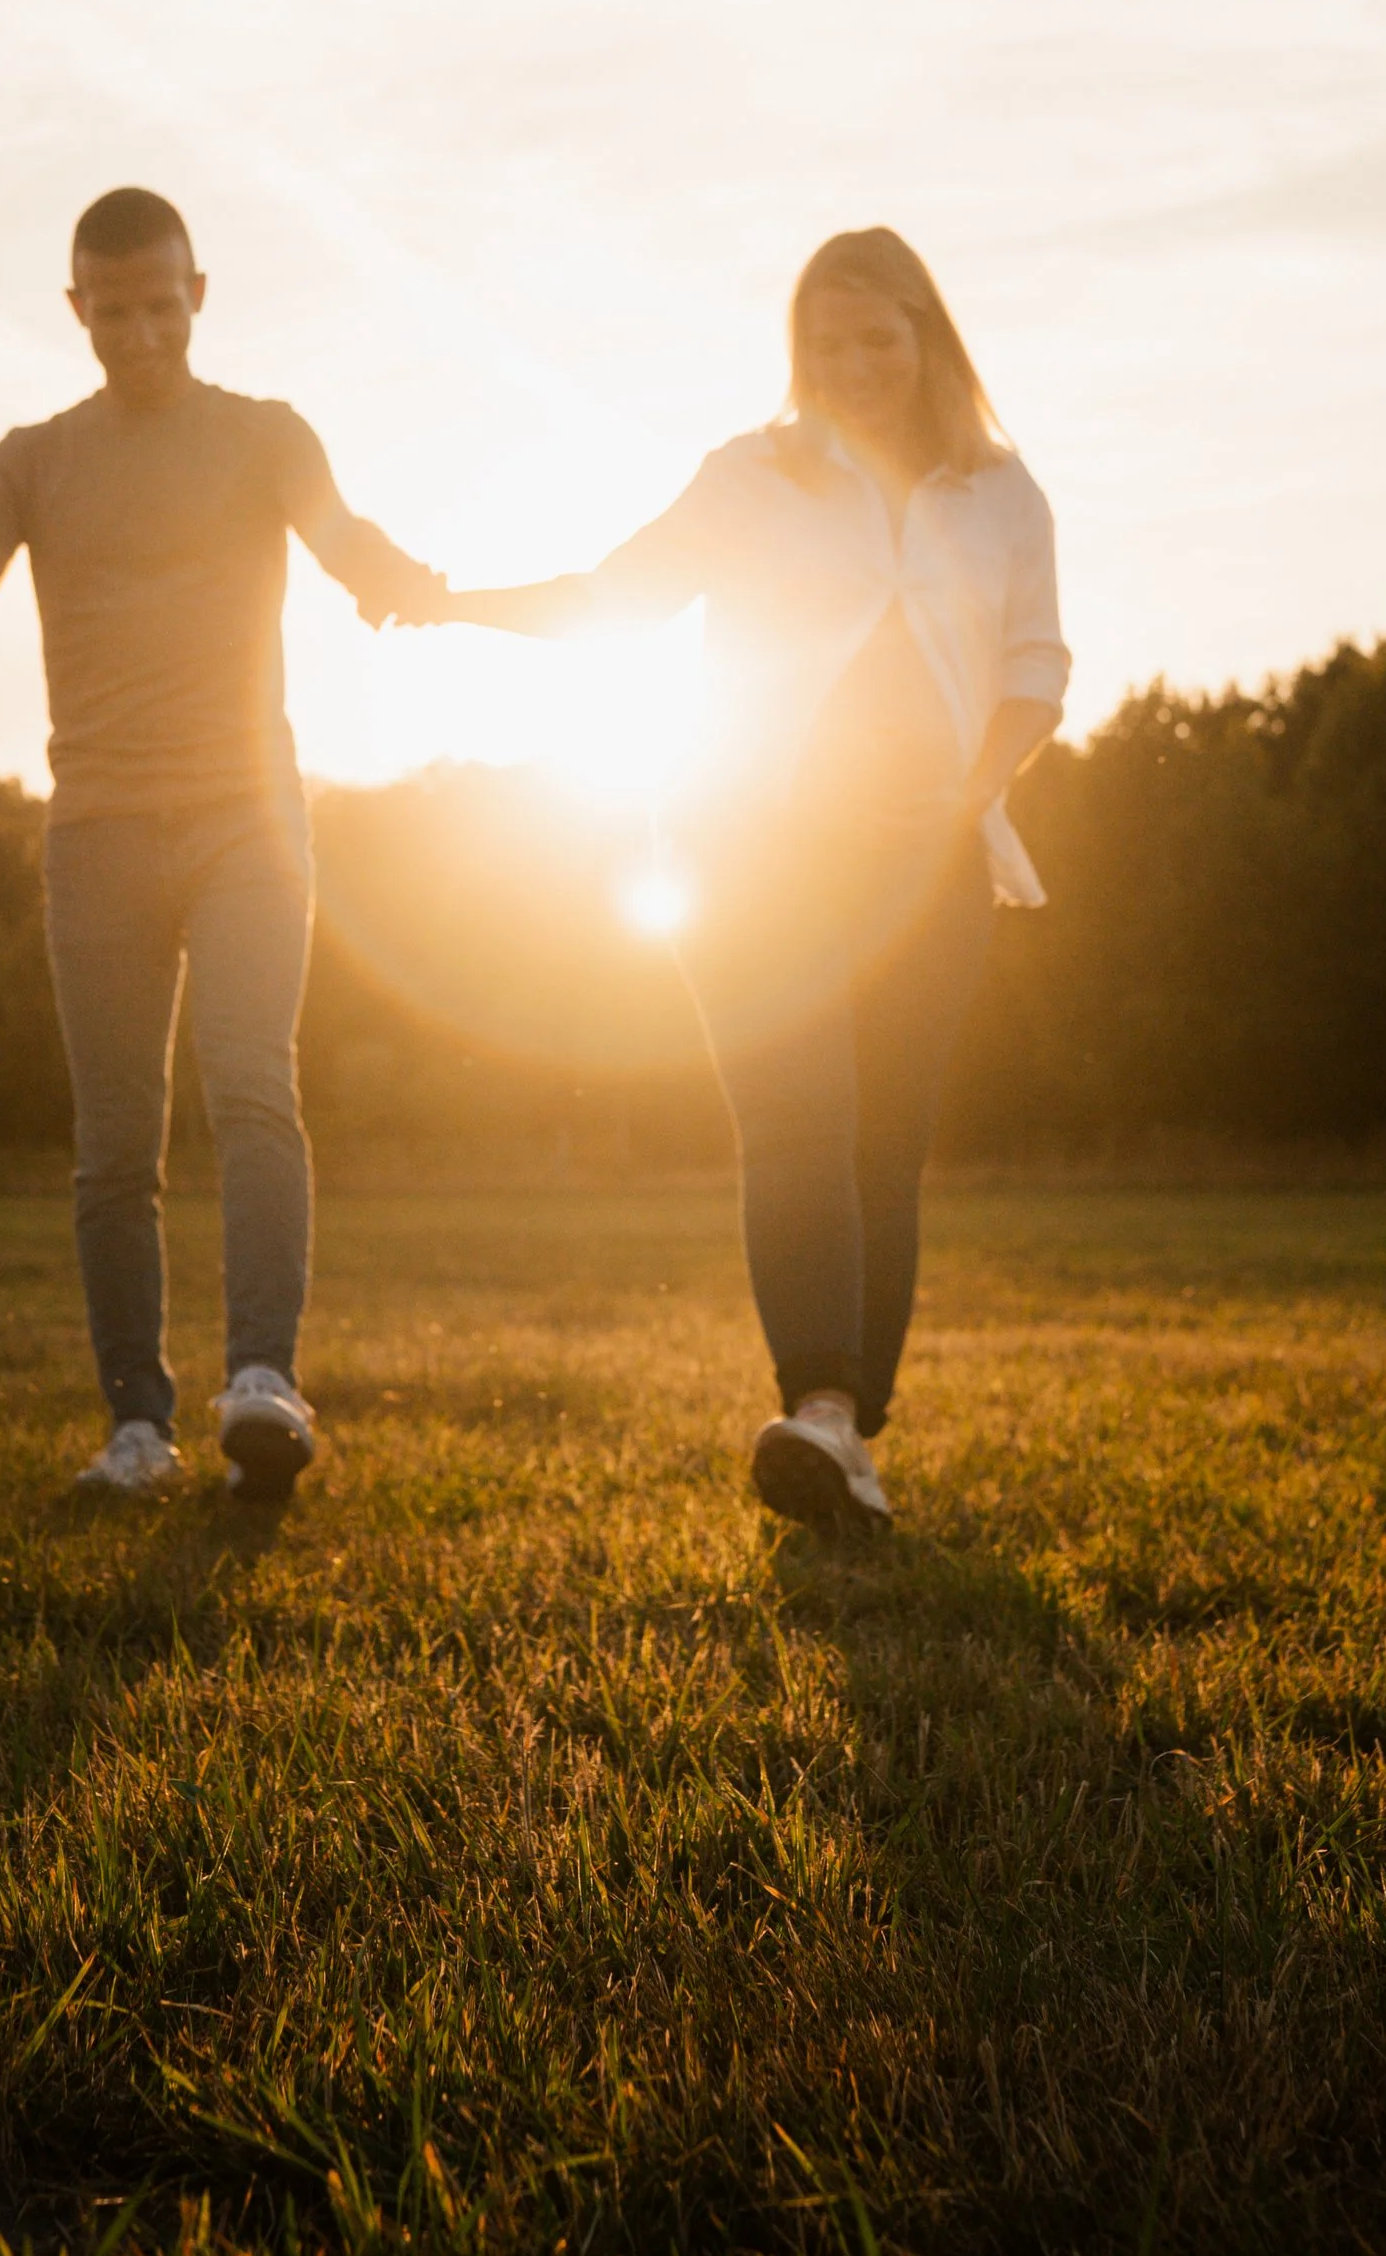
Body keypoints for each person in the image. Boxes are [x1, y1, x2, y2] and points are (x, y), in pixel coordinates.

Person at [417, 226, 1067, 1534]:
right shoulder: (751, 479)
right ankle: (821, 1405)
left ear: (926, 338)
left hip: (929, 865)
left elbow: (1035, 672)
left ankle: (848, 1432)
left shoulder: (1002, 496)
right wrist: (450, 602)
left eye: (878, 336)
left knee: (885, 1146)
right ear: (800, 354)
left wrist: (965, 788)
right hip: (754, 850)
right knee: (798, 1117)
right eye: (826, 343)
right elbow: (615, 594)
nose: (854, 363)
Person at [0, 188, 439, 1499]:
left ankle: (263, 1380)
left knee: (252, 1084)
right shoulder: (31, 459)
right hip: (100, 834)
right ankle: (137, 1424)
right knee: (117, 1141)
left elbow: (342, 532)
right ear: (76, 309)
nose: (137, 332)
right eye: (110, 309)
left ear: (200, 293)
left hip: (248, 814)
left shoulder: (265, 435)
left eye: (159, 303)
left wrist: (385, 572)